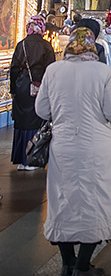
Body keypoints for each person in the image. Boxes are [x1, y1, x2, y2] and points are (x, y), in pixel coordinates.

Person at [34, 27, 111, 276]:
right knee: (95, 200)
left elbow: (41, 109)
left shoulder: (54, 70)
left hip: (63, 147)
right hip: (95, 147)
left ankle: (67, 265)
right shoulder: (101, 72)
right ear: (92, 46)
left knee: (64, 199)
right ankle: (82, 266)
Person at [9, 14, 55, 171]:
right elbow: (51, 70)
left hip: (22, 85)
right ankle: (32, 158)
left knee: (21, 122)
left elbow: (14, 68)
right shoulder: (46, 46)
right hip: (39, 85)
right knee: (36, 120)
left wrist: (13, 90)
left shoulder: (21, 44)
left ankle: (20, 159)